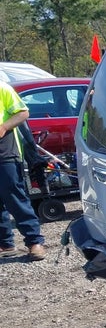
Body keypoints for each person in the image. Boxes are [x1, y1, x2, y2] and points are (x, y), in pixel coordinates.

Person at [0, 79, 46, 261]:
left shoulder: (2, 88)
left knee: (14, 197)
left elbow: (23, 112)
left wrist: (4, 126)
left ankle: (34, 242)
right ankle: (6, 244)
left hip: (5, 153)